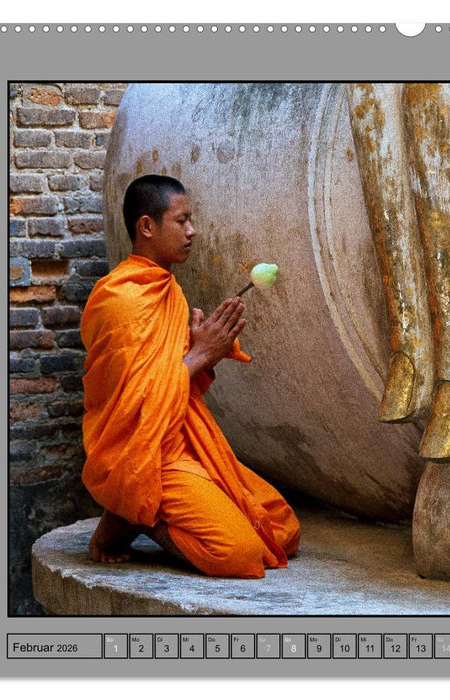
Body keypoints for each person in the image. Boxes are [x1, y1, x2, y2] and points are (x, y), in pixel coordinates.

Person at [80, 174, 300, 578]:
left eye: (190, 220)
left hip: (181, 440)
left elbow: (173, 382)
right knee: (239, 553)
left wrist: (201, 351)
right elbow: (136, 406)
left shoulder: (169, 291)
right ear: (147, 227)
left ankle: (136, 508)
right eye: (182, 221)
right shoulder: (119, 299)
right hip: (145, 452)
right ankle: (131, 515)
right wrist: (199, 355)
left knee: (282, 528)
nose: (192, 231)